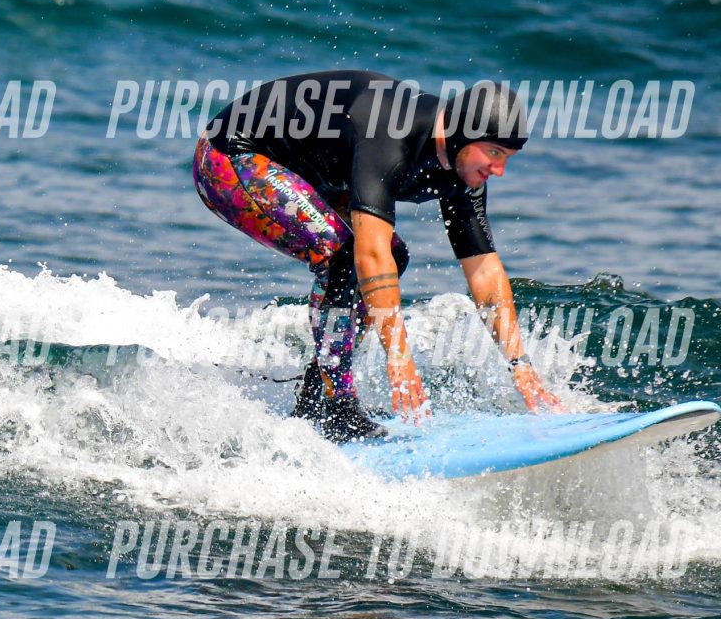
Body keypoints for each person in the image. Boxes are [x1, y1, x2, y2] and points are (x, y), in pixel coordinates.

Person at [194, 72, 561, 440]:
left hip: (309, 172)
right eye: (494, 153)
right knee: (344, 258)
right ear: (462, 133)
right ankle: (338, 409)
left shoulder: (464, 169)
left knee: (393, 256)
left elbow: (483, 269)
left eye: (507, 157)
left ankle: (314, 394)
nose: (500, 170)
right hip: (229, 156)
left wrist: (520, 366)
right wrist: (399, 358)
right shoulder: (391, 137)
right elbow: (369, 255)